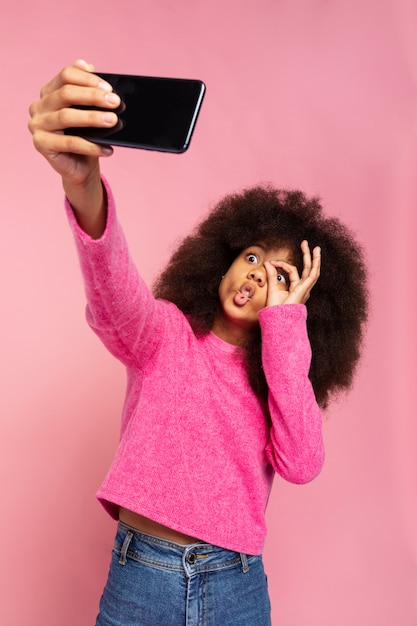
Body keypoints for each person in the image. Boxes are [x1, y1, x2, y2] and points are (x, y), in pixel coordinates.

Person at [28, 59, 369, 626]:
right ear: (224, 256)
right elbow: (113, 290)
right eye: (253, 256)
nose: (259, 275)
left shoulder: (278, 380)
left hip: (235, 585)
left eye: (283, 278)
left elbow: (303, 463)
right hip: (141, 579)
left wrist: (287, 328)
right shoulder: (164, 335)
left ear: (308, 308)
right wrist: (83, 185)